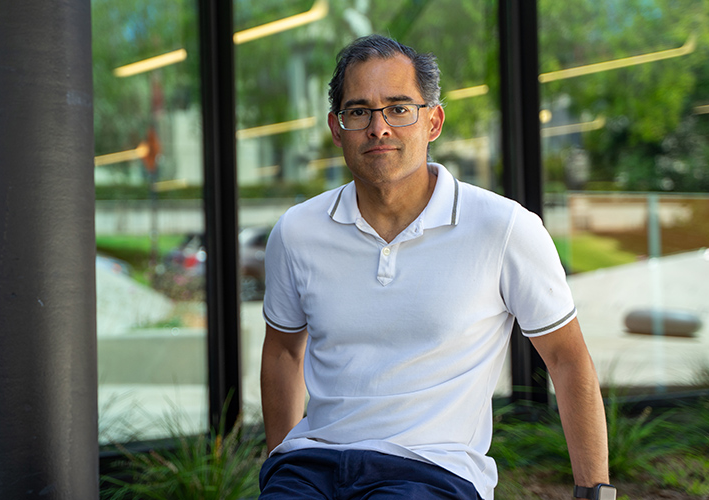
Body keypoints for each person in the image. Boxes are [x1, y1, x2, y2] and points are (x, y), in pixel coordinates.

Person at [259, 34, 614, 500]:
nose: (378, 128)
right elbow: (283, 352)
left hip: (430, 472)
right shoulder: (297, 231)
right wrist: (279, 465)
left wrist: (595, 493)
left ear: (434, 121)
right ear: (336, 127)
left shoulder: (503, 228)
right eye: (359, 111)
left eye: (399, 108)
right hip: (311, 469)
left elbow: (568, 361)